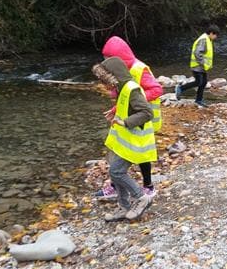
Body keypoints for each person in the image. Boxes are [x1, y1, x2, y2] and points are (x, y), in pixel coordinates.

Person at [95, 36, 163, 200]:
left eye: (109, 59)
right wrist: (116, 108)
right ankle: (116, 186)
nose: (106, 63)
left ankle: (147, 188)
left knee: (141, 153)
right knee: (119, 148)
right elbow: (124, 97)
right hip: (128, 118)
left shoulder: (140, 70)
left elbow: (157, 90)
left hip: (143, 119)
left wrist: (137, 100)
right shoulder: (120, 70)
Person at [92, 57, 156, 222]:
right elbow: (128, 107)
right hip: (123, 141)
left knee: (116, 172)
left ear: (114, 76)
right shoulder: (123, 88)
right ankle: (124, 207)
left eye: (105, 80)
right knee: (115, 171)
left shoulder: (132, 89)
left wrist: (125, 122)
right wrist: (115, 112)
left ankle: (141, 197)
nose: (104, 85)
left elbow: (147, 113)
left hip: (134, 142)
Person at [175, 25, 220, 107]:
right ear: (211, 33)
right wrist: (204, 63)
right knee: (199, 82)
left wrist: (207, 65)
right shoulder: (203, 39)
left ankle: (199, 100)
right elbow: (197, 53)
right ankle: (180, 88)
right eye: (216, 35)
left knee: (203, 82)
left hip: (201, 67)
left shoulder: (208, 39)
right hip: (197, 66)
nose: (216, 37)